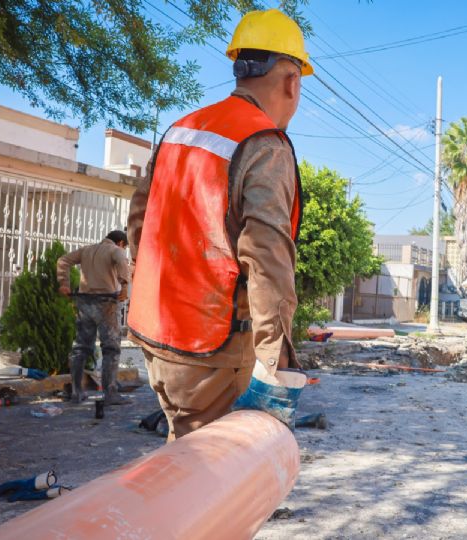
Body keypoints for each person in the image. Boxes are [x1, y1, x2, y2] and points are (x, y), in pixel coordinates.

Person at [127, 8, 311, 440]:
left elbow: (140, 220)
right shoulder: (264, 144)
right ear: (291, 81)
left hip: (156, 338)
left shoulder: (181, 129)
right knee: (211, 480)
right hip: (212, 348)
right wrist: (276, 364)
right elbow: (267, 258)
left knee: (184, 454)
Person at [57, 230, 132, 405]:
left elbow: (63, 260)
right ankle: (110, 393)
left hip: (84, 302)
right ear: (120, 243)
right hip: (106, 304)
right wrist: (124, 285)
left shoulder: (87, 250)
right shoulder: (115, 250)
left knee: (80, 349)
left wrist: (64, 283)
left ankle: (76, 392)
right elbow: (122, 261)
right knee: (111, 349)